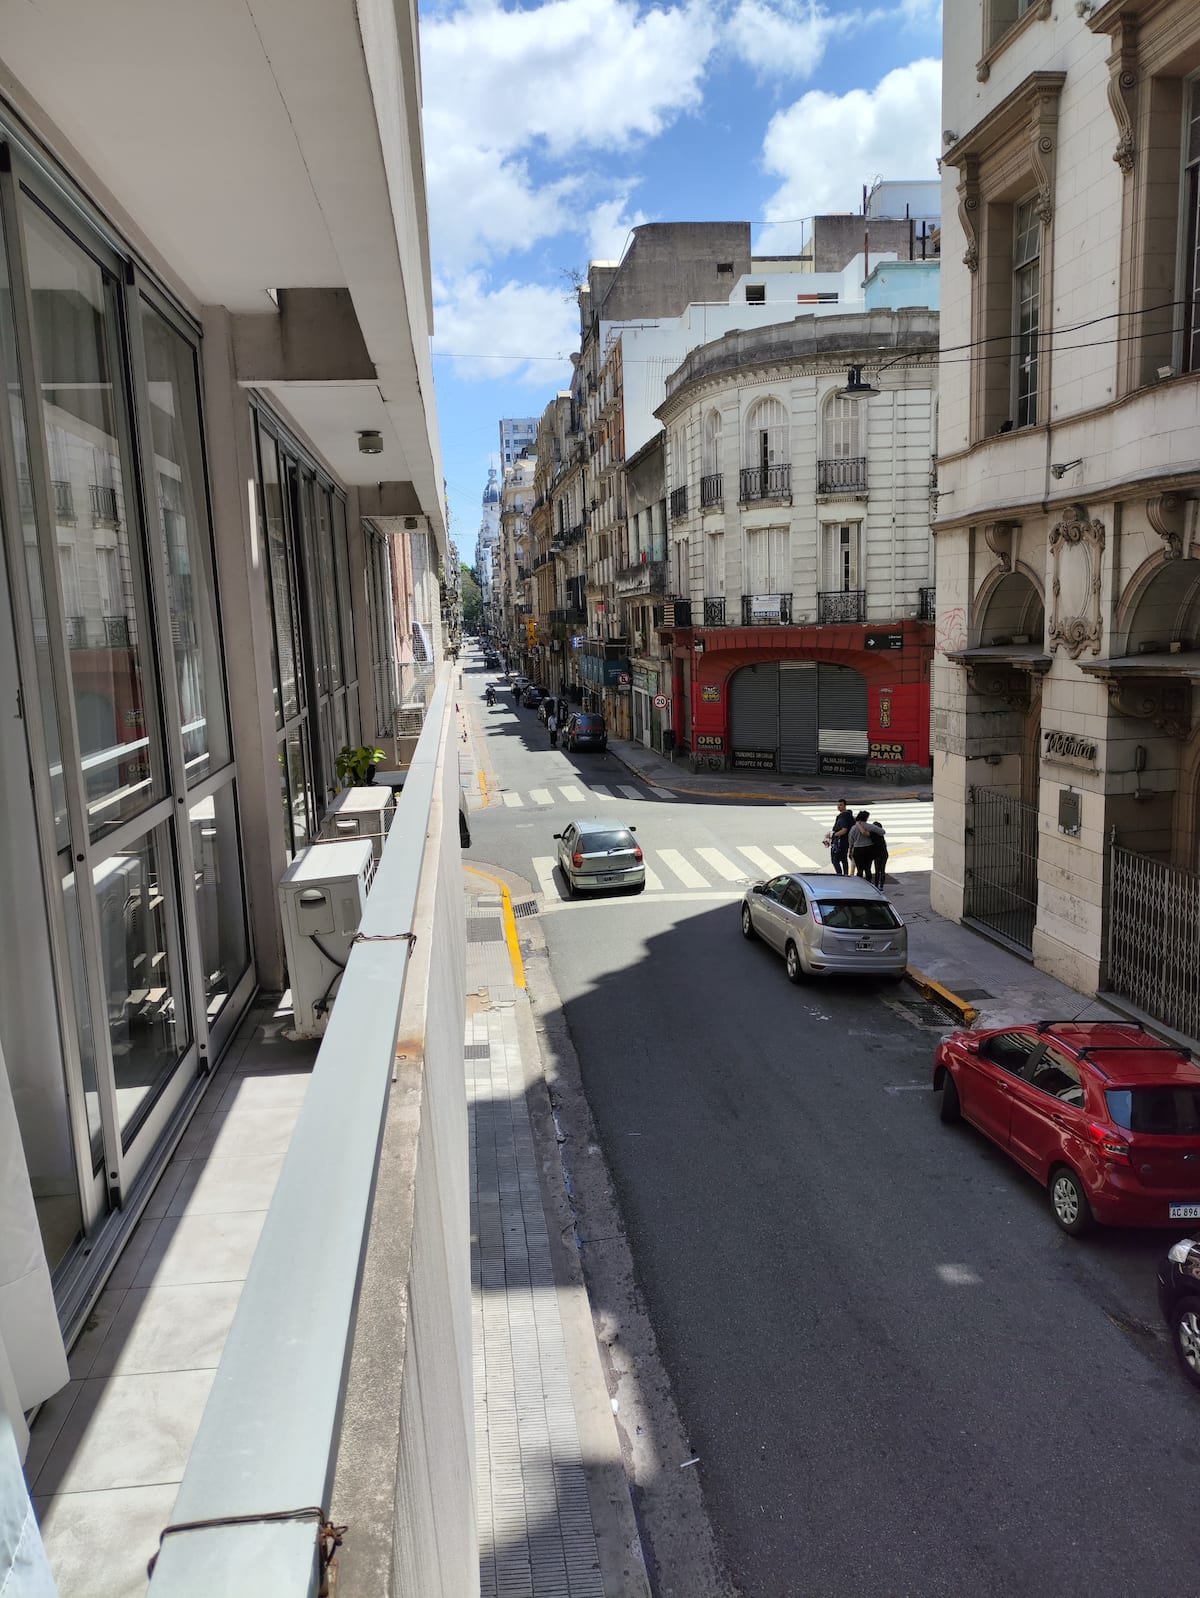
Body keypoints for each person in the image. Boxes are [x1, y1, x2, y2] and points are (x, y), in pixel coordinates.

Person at [848, 810, 885, 880]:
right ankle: (868, 882)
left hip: (858, 849)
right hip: (868, 849)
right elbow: (882, 832)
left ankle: (860, 883)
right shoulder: (869, 826)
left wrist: (850, 850)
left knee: (859, 869)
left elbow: (850, 840)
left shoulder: (853, 828)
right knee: (868, 869)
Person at [824, 798, 854, 876]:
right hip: (846, 842)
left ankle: (840, 875)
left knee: (835, 860)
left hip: (840, 842)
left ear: (845, 806)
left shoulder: (843, 817)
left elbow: (844, 830)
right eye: (838, 805)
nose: (839, 807)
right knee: (844, 860)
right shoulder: (849, 815)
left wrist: (833, 835)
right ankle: (846, 875)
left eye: (841, 805)